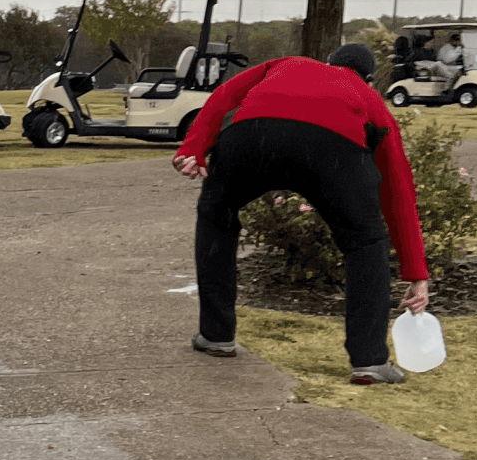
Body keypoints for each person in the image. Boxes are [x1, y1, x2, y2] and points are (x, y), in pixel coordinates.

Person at [173, 41, 429, 386]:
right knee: (366, 243)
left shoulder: (284, 63)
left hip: (253, 136)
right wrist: (417, 273)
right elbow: (398, 187)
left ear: (327, 61)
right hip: (333, 151)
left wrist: (193, 150)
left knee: (216, 214)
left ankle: (217, 335)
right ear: (368, 79)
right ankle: (369, 361)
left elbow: (223, 96)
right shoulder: (368, 98)